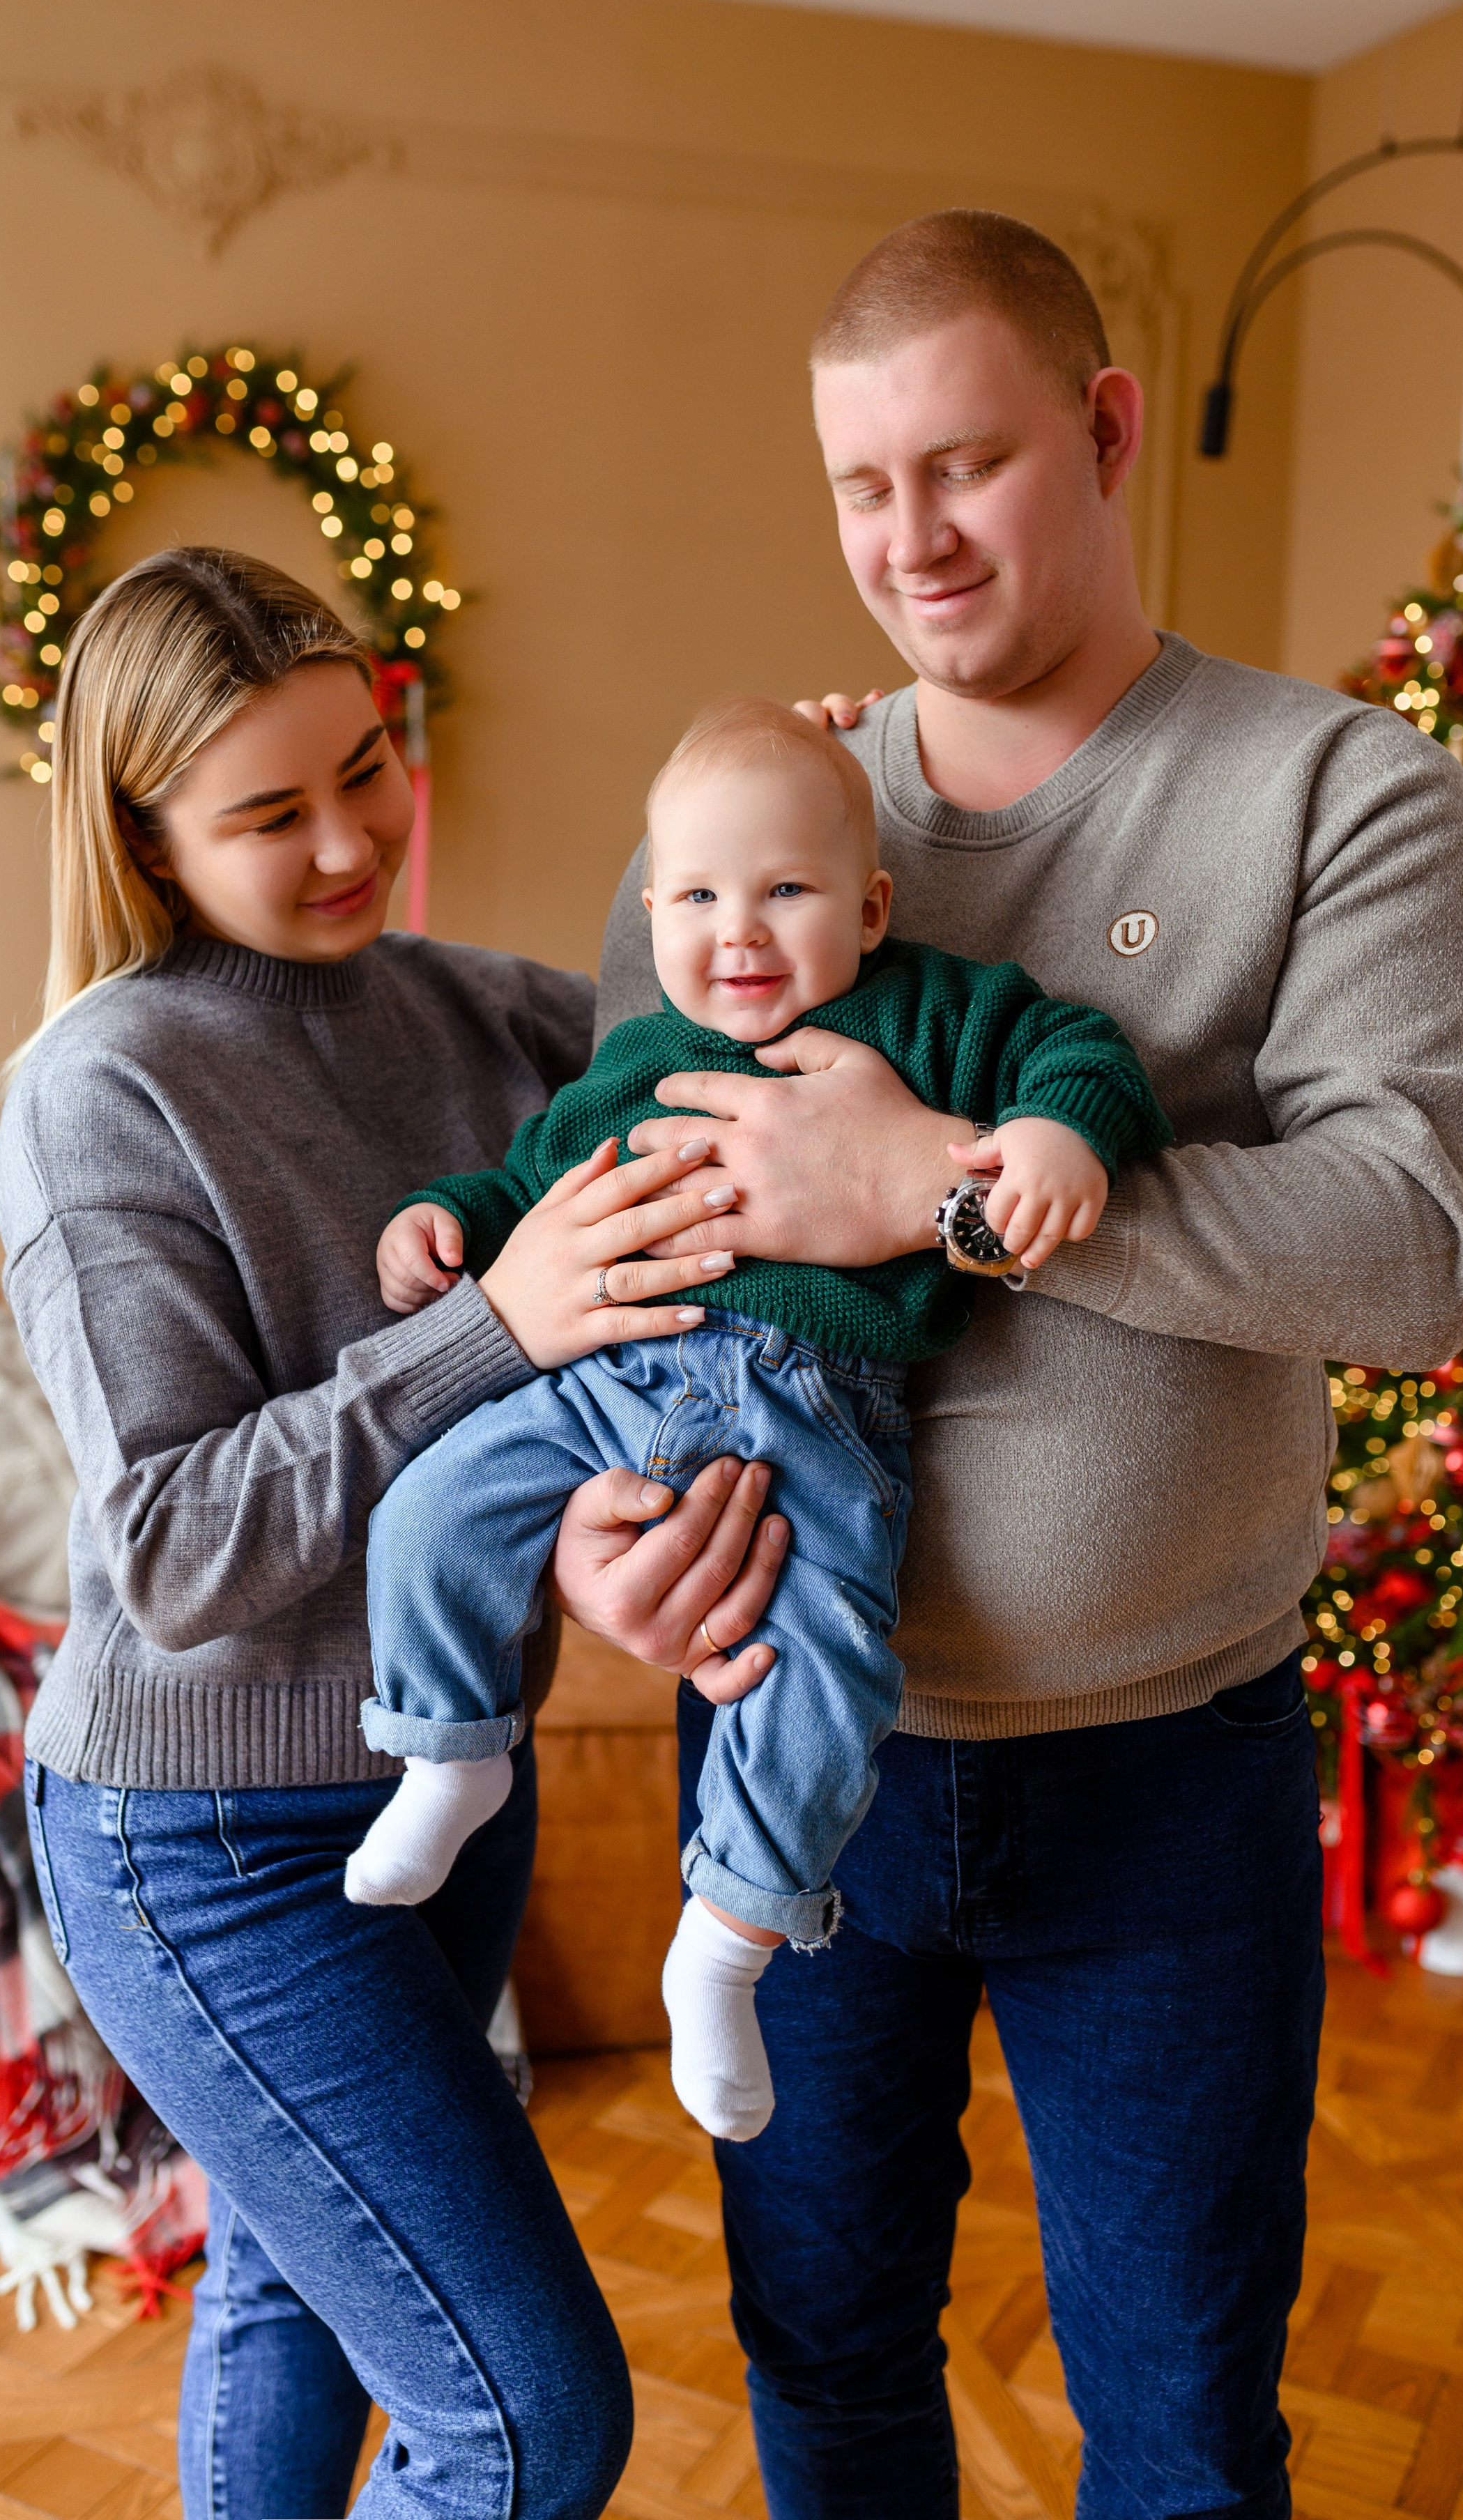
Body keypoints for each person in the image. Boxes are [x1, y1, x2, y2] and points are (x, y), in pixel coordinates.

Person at [589, 213, 1463, 2519]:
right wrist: (611, 1525)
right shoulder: (744, 827)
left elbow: (1410, 1252)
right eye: (858, 484)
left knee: (1187, 2421)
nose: (908, 539)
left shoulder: (1338, 796)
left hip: (1164, 1780)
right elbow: (613, 1250)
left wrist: (930, 1183)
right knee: (826, 2360)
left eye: (968, 463)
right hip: (803, 1777)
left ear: (1108, 430)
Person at [0, 545, 792, 2520]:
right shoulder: (101, 1089)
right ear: (145, 834)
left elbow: (685, 990)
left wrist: (785, 790)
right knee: (526, 2422)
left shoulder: (468, 1011)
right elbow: (175, 1547)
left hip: (442, 1787)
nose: (353, 841)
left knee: (298, 2285)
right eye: (274, 812)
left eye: (370, 767)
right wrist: (489, 1328)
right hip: (205, 1843)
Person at [351, 694, 1168, 2148]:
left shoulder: (929, 1007)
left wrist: (1046, 1136)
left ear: (866, 908)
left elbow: (1079, 1051)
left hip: (816, 1411)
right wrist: (446, 1221)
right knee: (426, 1505)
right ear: (653, 911)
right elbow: (534, 1181)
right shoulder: (635, 1059)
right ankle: (452, 1746)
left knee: (829, 1662)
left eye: (784, 891)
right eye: (699, 896)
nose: (739, 930)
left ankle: (723, 1937)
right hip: (611, 1382)